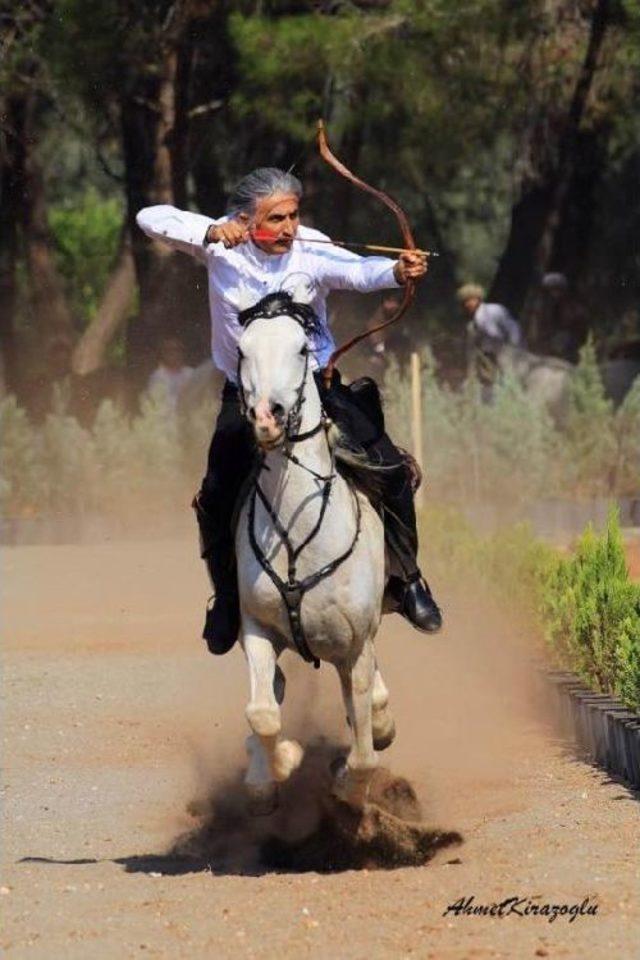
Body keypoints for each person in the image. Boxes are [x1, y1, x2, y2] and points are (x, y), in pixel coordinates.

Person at [137, 167, 442, 656]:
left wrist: (395, 272)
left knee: (391, 470)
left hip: (315, 390)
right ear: (245, 218)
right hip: (246, 395)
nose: (288, 227)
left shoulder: (311, 249)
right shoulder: (218, 244)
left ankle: (408, 581)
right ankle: (228, 603)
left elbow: (358, 271)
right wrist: (211, 231)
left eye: (293, 215)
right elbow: (149, 217)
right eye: (275, 218)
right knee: (216, 494)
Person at [458, 283, 523, 385]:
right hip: (498, 349)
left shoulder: (488, 313)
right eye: (466, 301)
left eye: (471, 300)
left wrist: (511, 348)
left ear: (478, 299)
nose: (468, 304)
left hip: (509, 347)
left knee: (510, 376)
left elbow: (503, 333)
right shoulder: (478, 318)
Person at [147, 336, 194, 410]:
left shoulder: (191, 374)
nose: (173, 354)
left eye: (177, 350)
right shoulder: (157, 376)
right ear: (163, 353)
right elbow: (157, 403)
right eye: (169, 351)